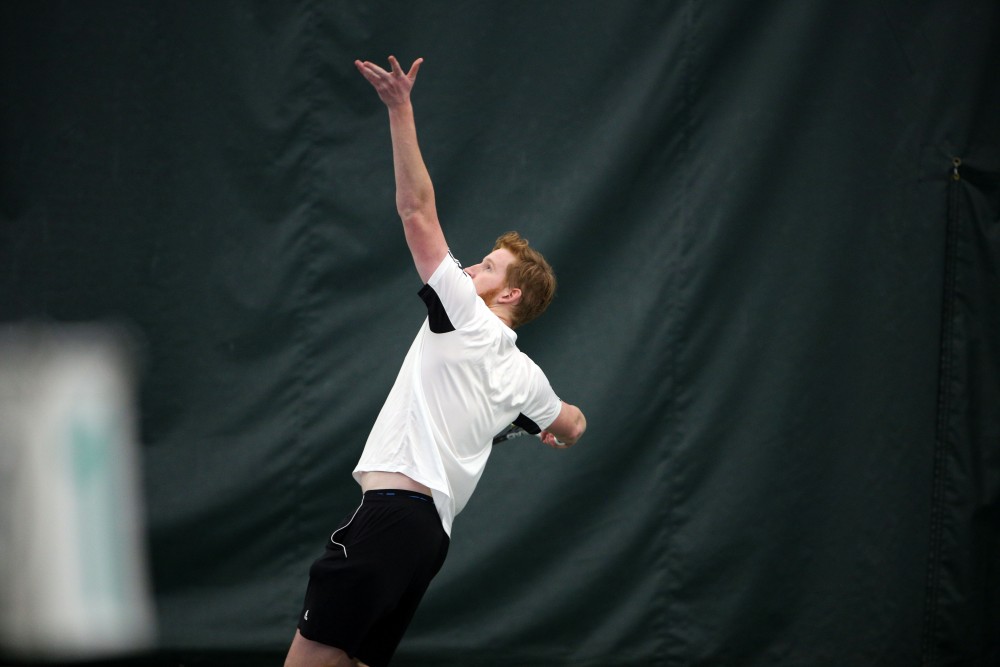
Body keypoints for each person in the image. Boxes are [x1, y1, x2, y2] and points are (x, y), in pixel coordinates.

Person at [284, 55, 587, 667]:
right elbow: (573, 423)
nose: (471, 267)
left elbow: (416, 212)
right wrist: (556, 430)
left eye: (488, 267)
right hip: (427, 543)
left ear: (507, 296)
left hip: (390, 521)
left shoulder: (466, 316)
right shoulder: (526, 377)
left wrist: (400, 109)